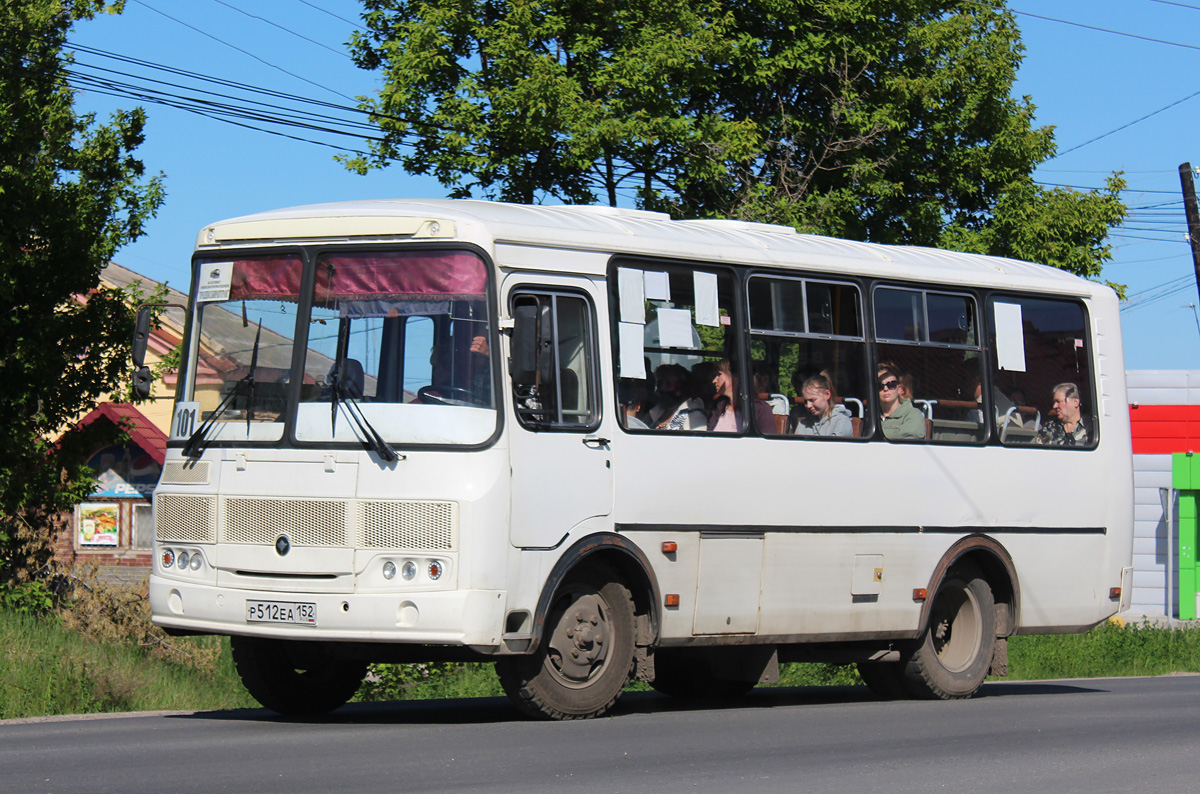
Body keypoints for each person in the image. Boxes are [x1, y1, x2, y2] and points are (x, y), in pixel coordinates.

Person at [706, 359, 775, 433]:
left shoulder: (761, 409)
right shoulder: (719, 406)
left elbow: (768, 442)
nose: (714, 380)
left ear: (734, 378)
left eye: (719, 375)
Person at [648, 363, 707, 431]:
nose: (662, 388)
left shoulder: (694, 415)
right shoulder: (654, 413)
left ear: (682, 385)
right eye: (659, 383)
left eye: (668, 384)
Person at [877, 362, 925, 440]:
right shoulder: (870, 417)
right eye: (880, 386)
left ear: (900, 389)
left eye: (891, 384)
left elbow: (910, 439)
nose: (885, 389)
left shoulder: (913, 414)